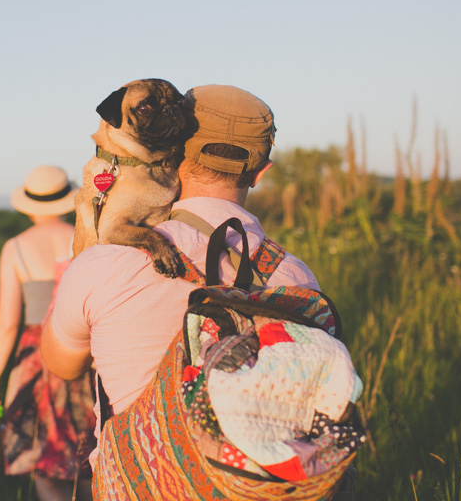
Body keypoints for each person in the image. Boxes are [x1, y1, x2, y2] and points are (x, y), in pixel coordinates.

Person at [41, 84, 321, 469]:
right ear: (260, 173)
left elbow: (62, 365)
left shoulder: (105, 261)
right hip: (247, 483)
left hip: (140, 479)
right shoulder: (295, 277)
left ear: (177, 149)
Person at [0, 165, 96, 501]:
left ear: (29, 205)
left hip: (38, 355)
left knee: (44, 459)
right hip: (85, 348)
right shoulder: (87, 238)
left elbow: (7, 324)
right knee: (90, 452)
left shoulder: (15, 248)